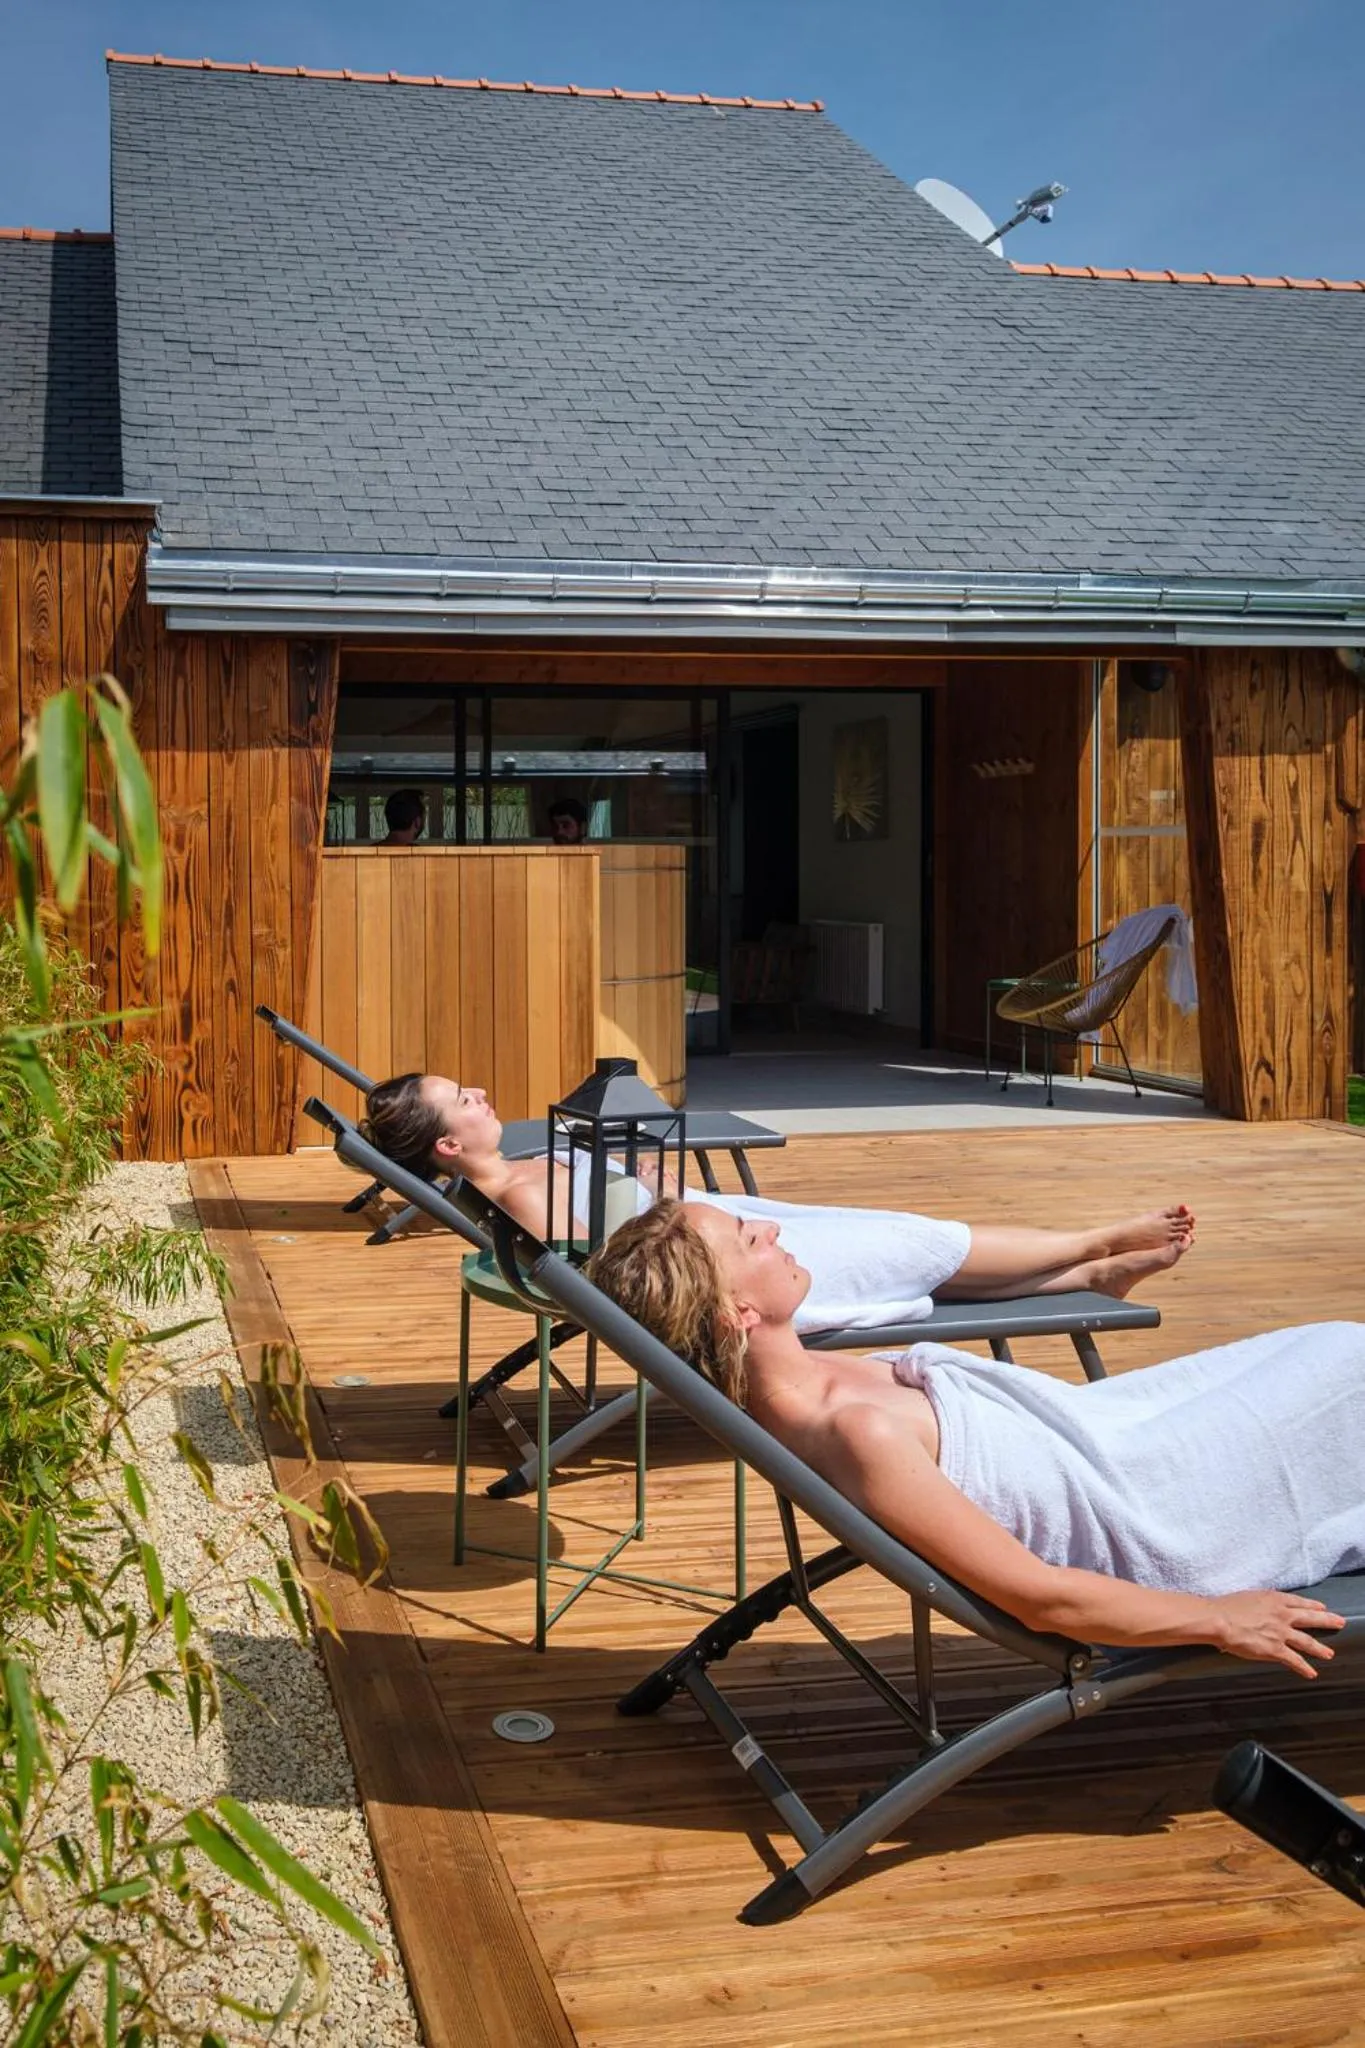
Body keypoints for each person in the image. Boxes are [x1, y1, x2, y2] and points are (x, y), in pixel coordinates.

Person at [585, 1200, 1359, 1676]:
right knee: (1348, 1361)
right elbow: (1038, 1595)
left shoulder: (794, 1373)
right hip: (1166, 1502)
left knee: (1334, 1349)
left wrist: (1085, 1272)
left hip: (1129, 1435)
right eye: (747, 1241)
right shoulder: (852, 1432)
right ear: (736, 1318)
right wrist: (1217, 1619)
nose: (771, 1226)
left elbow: (925, 1284)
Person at [357, 1070, 1196, 1328]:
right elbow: (615, 1266)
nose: (475, 1091)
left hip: (738, 1231)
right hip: (729, 1269)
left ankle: (1085, 1279)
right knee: (919, 1248)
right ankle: (1091, 1241)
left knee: (912, 1251)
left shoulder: (519, 1172)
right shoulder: (522, 1200)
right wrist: (649, 1187)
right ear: (446, 1147)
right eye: (458, 1099)